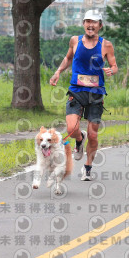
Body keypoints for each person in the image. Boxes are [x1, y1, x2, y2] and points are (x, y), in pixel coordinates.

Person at [49, 10, 118, 181]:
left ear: (100, 25)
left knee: (93, 135)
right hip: (77, 90)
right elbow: (68, 58)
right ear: (83, 24)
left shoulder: (106, 45)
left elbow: (114, 65)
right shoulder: (75, 40)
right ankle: (79, 140)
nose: (90, 25)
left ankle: (88, 167)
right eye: (88, 21)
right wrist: (58, 72)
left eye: (94, 22)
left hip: (96, 93)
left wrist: (112, 70)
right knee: (72, 129)